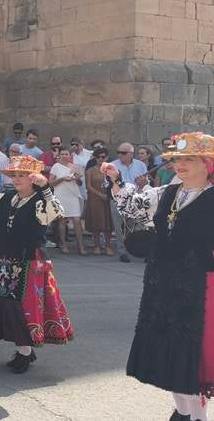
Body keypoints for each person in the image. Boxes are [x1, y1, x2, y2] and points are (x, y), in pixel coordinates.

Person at [104, 132, 214, 421]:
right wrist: (115, 179)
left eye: (189, 159)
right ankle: (182, 412)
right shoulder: (167, 193)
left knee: (192, 357)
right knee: (170, 351)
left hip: (199, 288)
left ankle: (197, 417)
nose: (181, 164)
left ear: (208, 164)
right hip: (163, 284)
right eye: (178, 159)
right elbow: (131, 204)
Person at [0, 155, 75, 373]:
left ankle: (25, 352)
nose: (17, 179)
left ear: (33, 179)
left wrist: (46, 188)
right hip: (4, 261)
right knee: (7, 307)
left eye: (22, 175)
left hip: (29, 262)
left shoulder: (41, 201)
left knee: (25, 308)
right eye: (14, 175)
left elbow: (57, 211)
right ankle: (24, 350)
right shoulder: (6, 198)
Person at [112, 142, 150, 263]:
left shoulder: (141, 165)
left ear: (131, 153)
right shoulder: (112, 165)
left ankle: (139, 250)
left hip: (135, 199)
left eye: (123, 153)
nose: (120, 155)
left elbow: (146, 182)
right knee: (120, 227)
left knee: (138, 226)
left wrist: (141, 185)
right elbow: (109, 184)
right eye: (118, 152)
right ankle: (122, 252)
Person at [50, 148, 85, 254]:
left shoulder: (74, 167)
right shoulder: (56, 166)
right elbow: (50, 183)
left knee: (77, 220)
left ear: (70, 155)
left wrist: (76, 179)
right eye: (63, 154)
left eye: (67, 154)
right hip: (61, 195)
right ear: (59, 155)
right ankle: (63, 245)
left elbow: (80, 184)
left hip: (72, 195)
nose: (65, 155)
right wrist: (63, 179)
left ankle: (80, 245)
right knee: (62, 220)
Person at [83, 147, 115, 256]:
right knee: (96, 222)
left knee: (108, 223)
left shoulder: (112, 170)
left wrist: (109, 194)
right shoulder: (90, 170)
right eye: (97, 157)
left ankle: (108, 246)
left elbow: (116, 183)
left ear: (107, 157)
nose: (100, 159)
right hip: (95, 199)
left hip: (109, 198)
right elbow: (88, 186)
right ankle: (96, 246)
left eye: (102, 157)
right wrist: (101, 195)